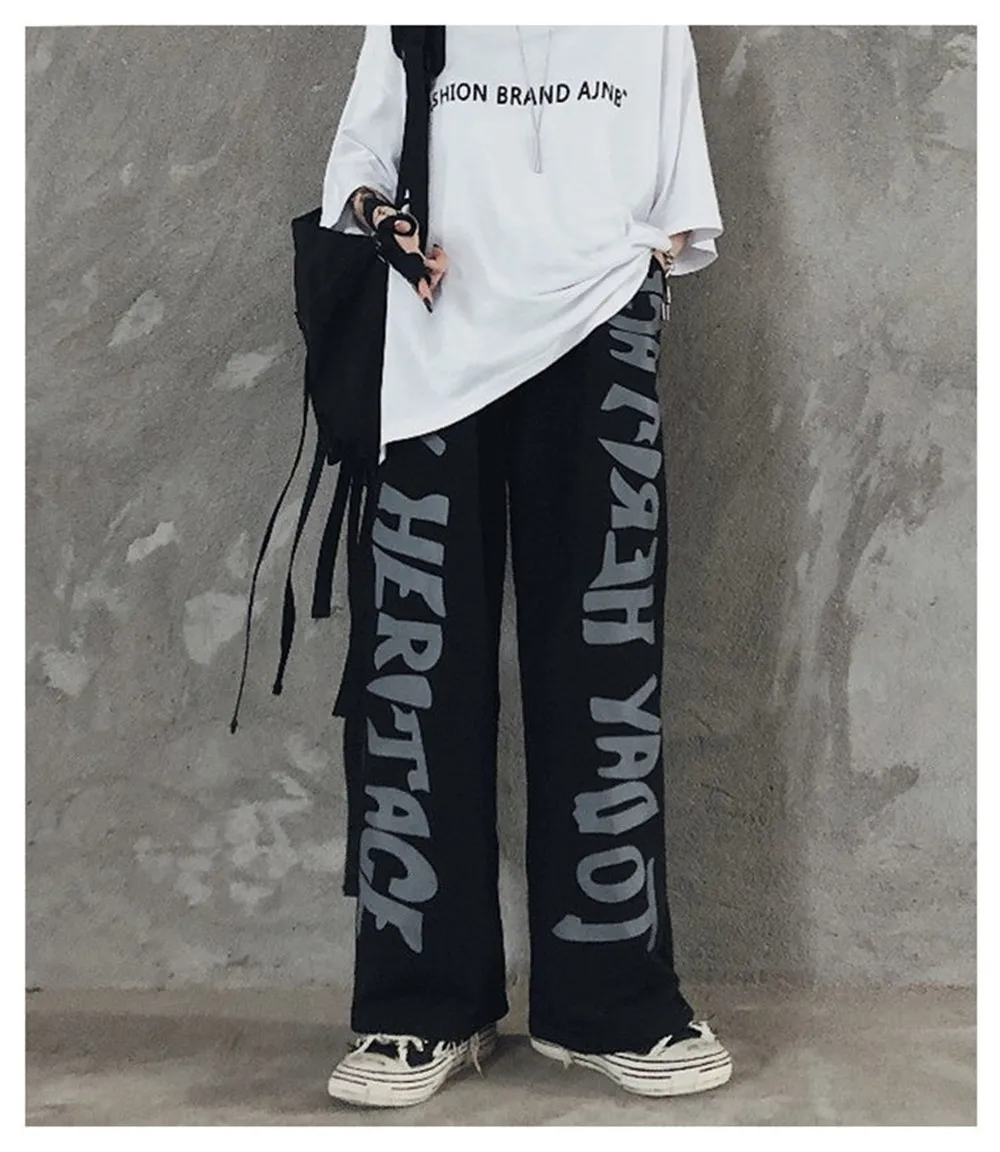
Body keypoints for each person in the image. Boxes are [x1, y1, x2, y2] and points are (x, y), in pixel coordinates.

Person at [318, 24, 730, 1108]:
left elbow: (678, 200)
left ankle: (611, 1002)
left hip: (597, 331)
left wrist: (636, 277)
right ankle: (422, 1005)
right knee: (418, 677)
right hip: (429, 346)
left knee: (605, 671)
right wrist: (384, 223)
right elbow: (358, 162)